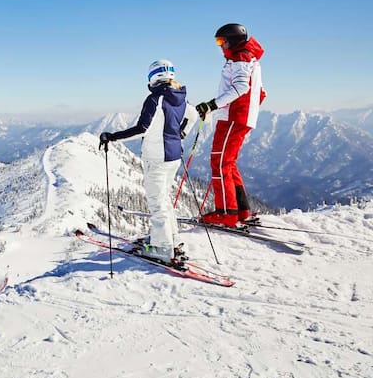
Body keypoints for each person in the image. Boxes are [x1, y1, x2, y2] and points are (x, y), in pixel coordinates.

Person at [100, 59, 197, 264]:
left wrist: (112, 137)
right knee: (164, 199)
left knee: (157, 202)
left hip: (157, 157)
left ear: (153, 77)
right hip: (173, 156)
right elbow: (193, 114)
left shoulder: (155, 99)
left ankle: (162, 248)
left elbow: (142, 128)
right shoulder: (179, 96)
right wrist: (182, 133)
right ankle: (171, 239)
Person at [195, 23, 266, 227]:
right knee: (228, 162)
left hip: (233, 117)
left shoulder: (240, 58)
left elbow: (242, 87)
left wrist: (212, 105)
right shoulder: (249, 58)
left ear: (233, 40)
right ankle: (241, 210)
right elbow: (261, 92)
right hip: (240, 116)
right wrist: (249, 110)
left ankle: (226, 213)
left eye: (221, 41)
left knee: (219, 162)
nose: (220, 46)